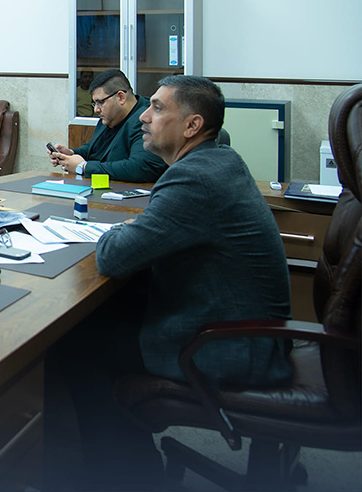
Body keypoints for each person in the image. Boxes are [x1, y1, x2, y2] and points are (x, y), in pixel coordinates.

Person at [54, 75, 291, 489]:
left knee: (75, 344)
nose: (144, 116)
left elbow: (113, 255)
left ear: (192, 125)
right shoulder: (217, 160)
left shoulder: (194, 179)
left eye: (158, 108)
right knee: (104, 314)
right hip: (247, 325)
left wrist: (119, 230)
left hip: (233, 344)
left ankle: (127, 478)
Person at [49, 69, 166, 183]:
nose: (96, 109)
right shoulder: (110, 117)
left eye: (100, 102)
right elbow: (96, 147)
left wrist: (84, 167)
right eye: (94, 103)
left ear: (121, 97)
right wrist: (71, 153)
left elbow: (141, 167)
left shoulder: (146, 119)